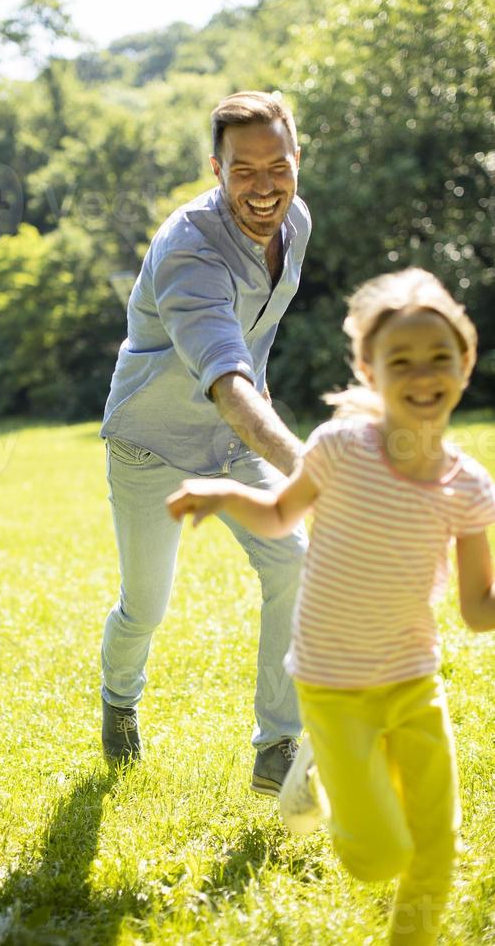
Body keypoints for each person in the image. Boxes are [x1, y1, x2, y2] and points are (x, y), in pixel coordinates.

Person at [167, 268, 495, 945]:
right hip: (332, 684)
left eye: (439, 357)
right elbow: (281, 512)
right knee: (377, 857)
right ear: (370, 373)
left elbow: (477, 608)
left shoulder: (468, 490)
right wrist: (224, 495)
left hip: (412, 681)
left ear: (465, 364)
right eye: (399, 359)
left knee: (436, 845)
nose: (422, 373)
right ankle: (314, 771)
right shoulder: (341, 449)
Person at [100, 91, 312, 793]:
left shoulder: (296, 222)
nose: (263, 186)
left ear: (296, 161)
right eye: (242, 170)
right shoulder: (188, 247)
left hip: (231, 440)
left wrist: (264, 404)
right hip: (150, 443)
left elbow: (254, 334)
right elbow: (224, 379)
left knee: (294, 565)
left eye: (276, 166)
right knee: (146, 604)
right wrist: (315, 471)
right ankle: (120, 701)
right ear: (215, 168)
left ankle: (276, 746)